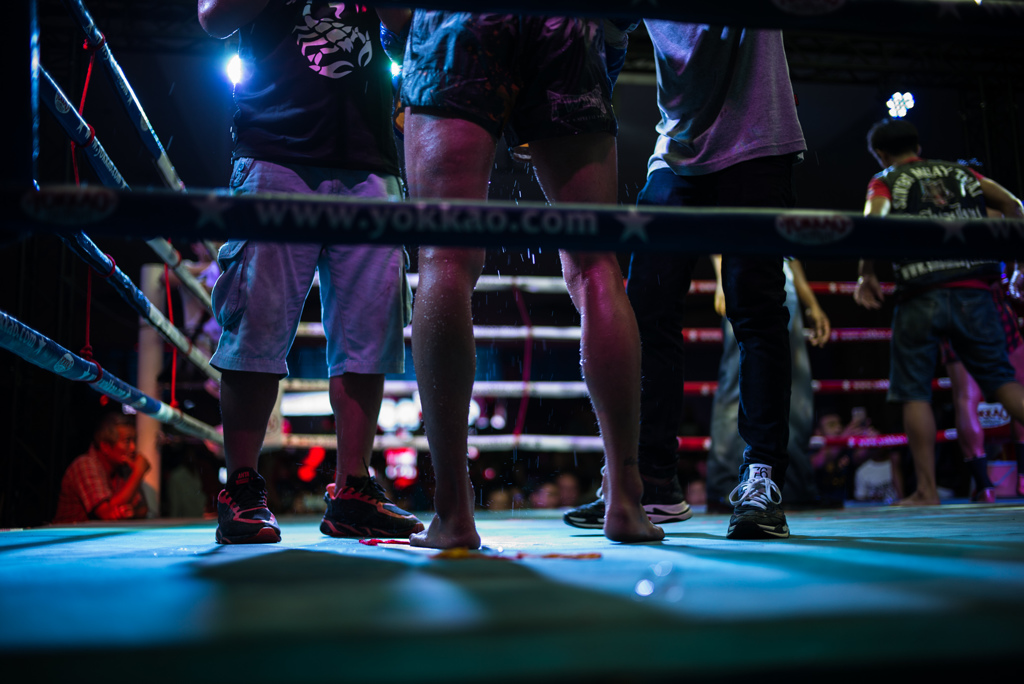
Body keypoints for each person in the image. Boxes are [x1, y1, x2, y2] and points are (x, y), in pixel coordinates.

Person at [400, 11, 664, 548]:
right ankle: (627, 502)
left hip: (458, 22)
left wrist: (399, 39)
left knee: (445, 257)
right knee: (595, 265)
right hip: (566, 20)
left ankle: (453, 513)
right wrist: (606, 40)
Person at [564, 21, 806, 539]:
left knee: (756, 307)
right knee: (646, 308)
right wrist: (559, 115)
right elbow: (606, 32)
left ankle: (762, 473)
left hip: (759, 142)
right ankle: (651, 481)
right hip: (676, 150)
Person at [198, 0, 423, 543]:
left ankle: (353, 487)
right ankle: (243, 487)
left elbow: (410, 23)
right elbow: (213, 16)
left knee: (370, 334)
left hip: (370, 156)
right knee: (258, 324)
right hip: (275, 144)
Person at [855, 117, 1024, 506]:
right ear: (918, 144)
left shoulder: (886, 179)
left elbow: (872, 223)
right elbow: (1013, 204)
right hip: (976, 292)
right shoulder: (962, 173)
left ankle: (927, 490)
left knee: (914, 390)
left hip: (920, 291)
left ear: (881, 153)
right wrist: (1016, 266)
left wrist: (866, 274)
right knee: (1002, 380)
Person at [706, 257, 830, 512]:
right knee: (737, 381)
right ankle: (726, 486)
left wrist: (811, 304)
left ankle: (790, 486)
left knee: (791, 386)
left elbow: (791, 256)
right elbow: (719, 225)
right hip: (741, 271)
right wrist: (721, 278)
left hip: (783, 283)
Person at [53, 411, 150, 523]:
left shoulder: (124, 468)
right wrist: (138, 473)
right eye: (127, 441)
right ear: (105, 447)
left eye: (134, 441)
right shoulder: (84, 465)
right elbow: (107, 513)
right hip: (67, 538)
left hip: (96, 537)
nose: (133, 448)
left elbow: (143, 509)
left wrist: (132, 512)